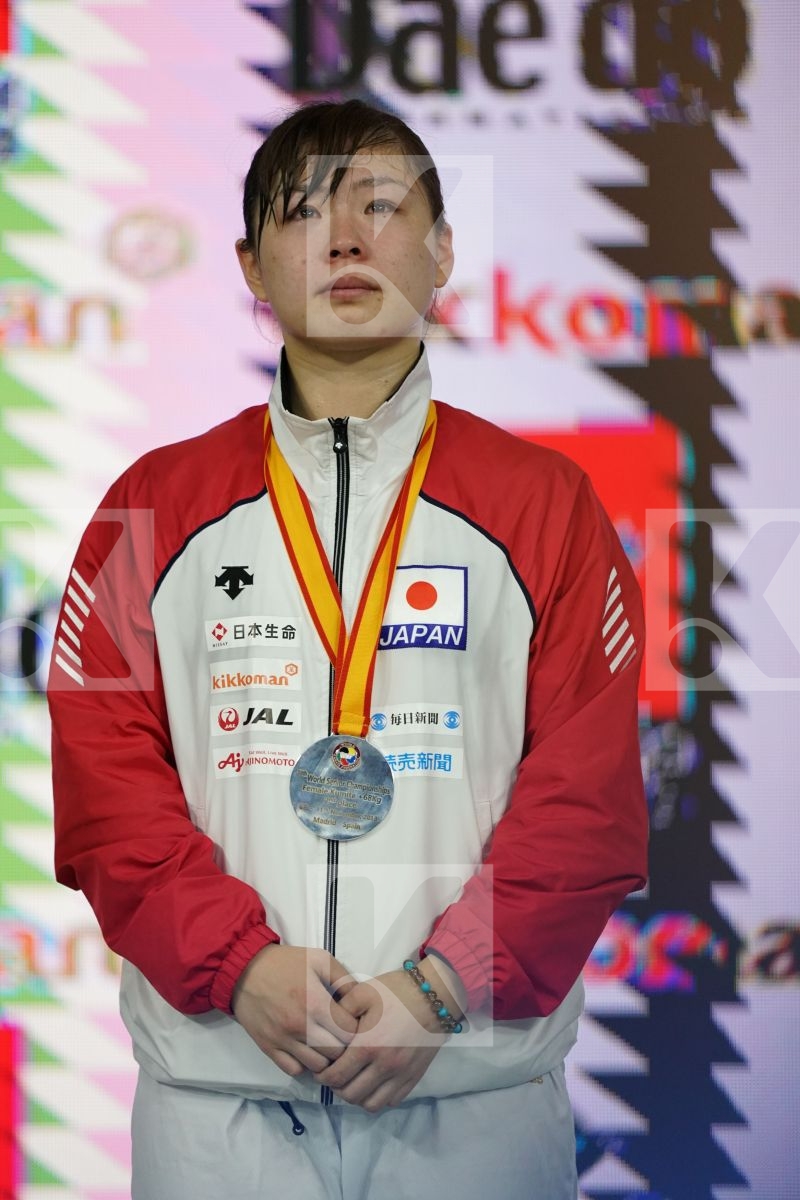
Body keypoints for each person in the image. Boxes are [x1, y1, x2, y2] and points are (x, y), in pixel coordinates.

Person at [48, 99, 648, 1199]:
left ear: (442, 250)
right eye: (302, 212)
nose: (344, 238)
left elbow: (584, 799)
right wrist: (242, 968)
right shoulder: (150, 504)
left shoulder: (544, 504)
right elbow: (108, 790)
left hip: (469, 1097)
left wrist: (442, 986)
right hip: (218, 1101)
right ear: (248, 264)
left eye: (382, 206)